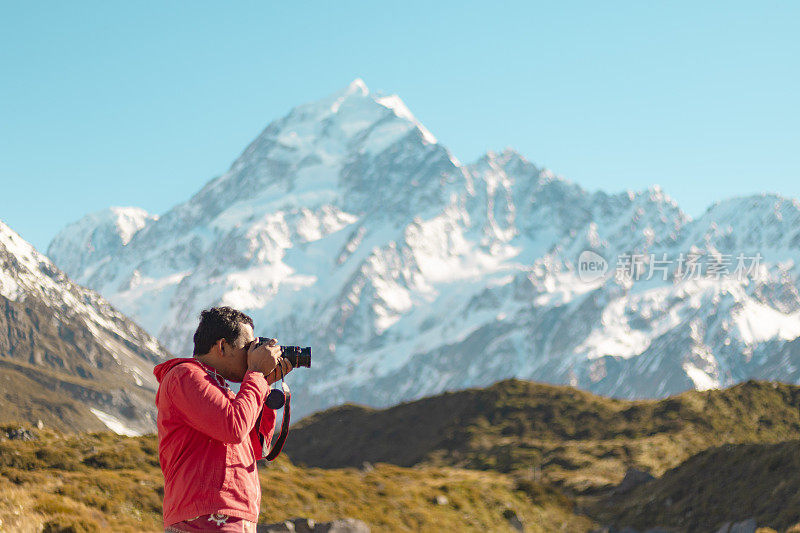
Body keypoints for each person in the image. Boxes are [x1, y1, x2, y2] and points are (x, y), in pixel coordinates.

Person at [153, 306, 293, 532]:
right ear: (222, 346)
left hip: (232, 517)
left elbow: (257, 448)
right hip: (204, 517)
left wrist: (264, 386)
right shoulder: (186, 375)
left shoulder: (221, 389)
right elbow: (234, 428)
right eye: (247, 348)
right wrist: (256, 373)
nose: (250, 357)